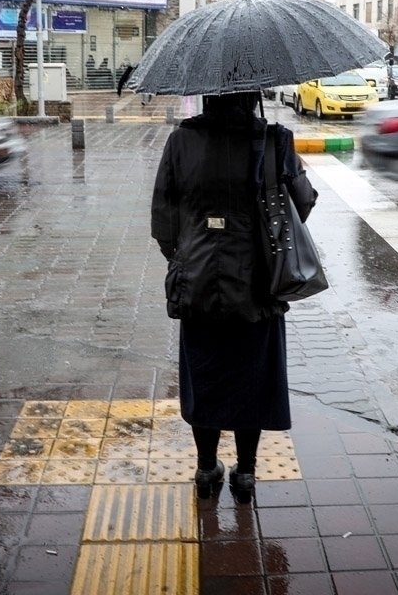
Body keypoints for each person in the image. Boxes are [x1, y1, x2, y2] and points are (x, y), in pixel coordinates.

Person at [151, 91, 317, 501]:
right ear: (253, 93)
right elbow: (303, 204)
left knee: (204, 377)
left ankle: (207, 469)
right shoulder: (275, 140)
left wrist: (186, 254)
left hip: (198, 283)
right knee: (253, 380)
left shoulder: (181, 141)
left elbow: (163, 219)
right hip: (258, 285)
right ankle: (246, 472)